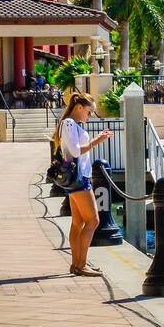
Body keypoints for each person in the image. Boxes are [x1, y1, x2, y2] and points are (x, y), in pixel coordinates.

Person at [54, 92, 112, 276]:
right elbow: (75, 152)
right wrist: (97, 140)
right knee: (93, 221)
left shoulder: (71, 124)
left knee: (78, 222)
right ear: (79, 108)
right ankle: (82, 264)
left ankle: (77, 264)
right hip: (79, 179)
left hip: (78, 178)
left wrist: (95, 138)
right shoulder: (70, 124)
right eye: (89, 112)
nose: (90, 116)